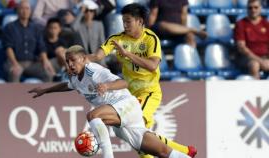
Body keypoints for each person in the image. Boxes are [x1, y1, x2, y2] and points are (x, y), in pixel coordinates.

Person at [28, 45, 191, 158]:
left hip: (126, 105)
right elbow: (67, 85)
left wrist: (107, 85)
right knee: (162, 152)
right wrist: (44, 91)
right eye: (67, 61)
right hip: (121, 122)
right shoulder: (74, 77)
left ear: (84, 59)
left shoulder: (94, 71)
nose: (70, 64)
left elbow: (124, 82)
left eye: (74, 60)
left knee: (92, 115)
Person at [87, 3, 197, 158]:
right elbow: (98, 56)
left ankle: (182, 152)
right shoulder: (117, 39)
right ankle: (184, 151)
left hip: (148, 92)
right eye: (123, 21)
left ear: (140, 21)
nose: (125, 25)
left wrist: (127, 54)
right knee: (137, 135)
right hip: (128, 95)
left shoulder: (151, 39)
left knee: (139, 133)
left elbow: (152, 66)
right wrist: (82, 59)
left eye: (128, 21)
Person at [2, 0, 55, 82]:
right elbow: (8, 48)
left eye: (27, 8)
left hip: (32, 64)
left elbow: (41, 47)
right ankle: (14, 95)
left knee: (48, 73)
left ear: (30, 11)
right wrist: (15, 64)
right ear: (17, 10)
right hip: (14, 62)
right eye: (22, 8)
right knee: (15, 72)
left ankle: (46, 94)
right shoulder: (10, 27)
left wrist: (45, 61)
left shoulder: (36, 28)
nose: (25, 11)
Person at [234, 0, 269, 79]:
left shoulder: (266, 24)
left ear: (260, 8)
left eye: (256, 7)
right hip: (247, 58)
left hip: (265, 57)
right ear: (247, 9)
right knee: (254, 65)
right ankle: (256, 90)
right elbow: (241, 48)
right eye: (250, 8)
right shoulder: (241, 24)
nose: (253, 10)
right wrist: (260, 61)